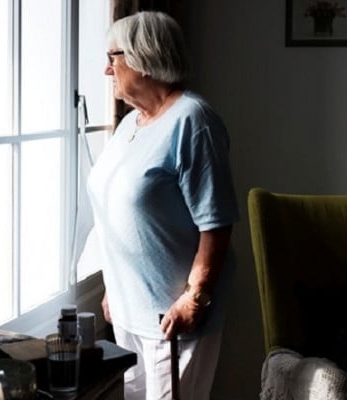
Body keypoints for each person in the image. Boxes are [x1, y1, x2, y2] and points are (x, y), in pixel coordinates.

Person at [86, 11, 239, 400]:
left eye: (113, 57)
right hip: (127, 311)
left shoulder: (193, 120)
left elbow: (216, 223)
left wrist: (195, 296)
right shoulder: (129, 125)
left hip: (171, 318)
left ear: (144, 57)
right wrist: (112, 288)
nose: (107, 70)